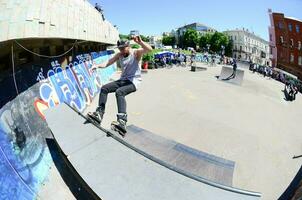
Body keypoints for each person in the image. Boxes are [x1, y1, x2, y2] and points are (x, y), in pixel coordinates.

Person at [88, 36, 152, 133]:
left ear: (128, 46)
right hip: (123, 80)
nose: (121, 51)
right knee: (104, 88)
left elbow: (149, 49)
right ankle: (99, 113)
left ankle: (122, 121)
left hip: (133, 82)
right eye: (120, 49)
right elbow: (108, 62)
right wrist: (97, 66)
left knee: (119, 92)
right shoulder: (119, 55)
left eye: (123, 48)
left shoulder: (136, 53)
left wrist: (141, 42)